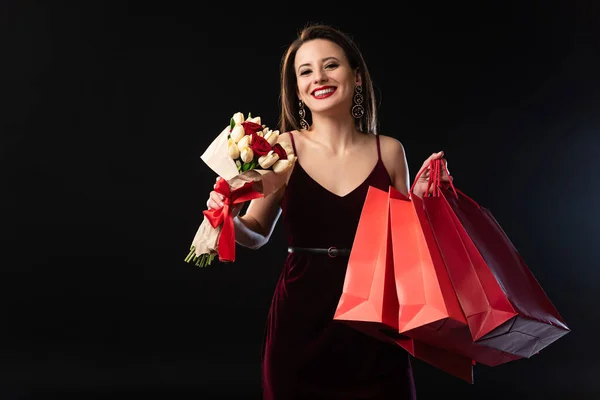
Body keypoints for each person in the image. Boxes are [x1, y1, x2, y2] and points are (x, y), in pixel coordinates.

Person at [206, 23, 451, 400]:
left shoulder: (389, 151)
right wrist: (227, 219)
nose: (318, 77)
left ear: (355, 77)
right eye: (305, 71)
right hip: (299, 323)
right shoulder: (281, 149)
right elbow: (256, 231)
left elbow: (405, 251)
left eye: (330, 65)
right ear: (298, 90)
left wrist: (420, 206)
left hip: (375, 327)